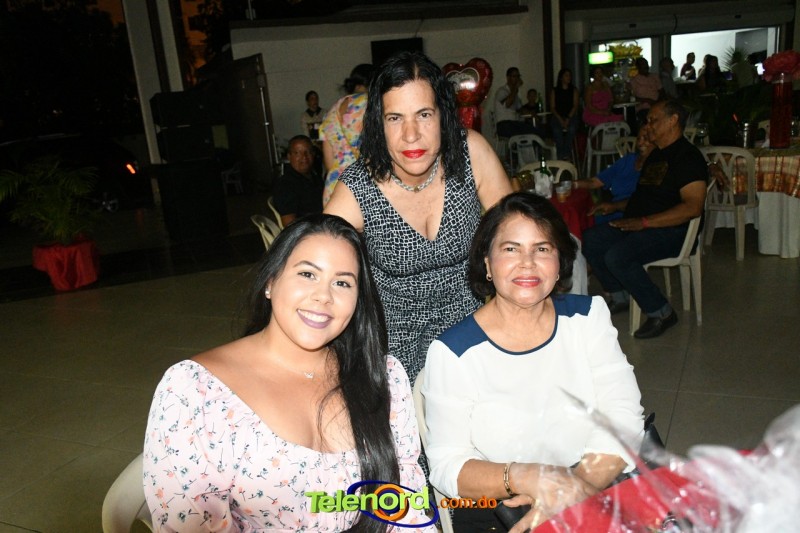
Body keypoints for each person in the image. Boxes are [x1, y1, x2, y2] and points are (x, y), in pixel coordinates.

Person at [142, 214, 435, 531]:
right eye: (307, 274)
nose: (323, 296)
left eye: (342, 282)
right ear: (270, 281)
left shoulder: (381, 376)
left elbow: (407, 506)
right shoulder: (196, 392)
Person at [422, 191, 644, 531]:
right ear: (487, 263)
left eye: (542, 249)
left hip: (594, 483)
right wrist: (528, 477)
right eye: (511, 249)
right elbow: (447, 466)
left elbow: (623, 417)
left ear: (560, 262)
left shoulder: (587, 318)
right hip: (503, 506)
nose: (527, 263)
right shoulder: (454, 352)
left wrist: (572, 490)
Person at [324, 51, 512, 383]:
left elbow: (515, 234)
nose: (411, 135)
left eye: (424, 114)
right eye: (395, 118)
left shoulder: (470, 152)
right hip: (391, 347)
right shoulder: (358, 186)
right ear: (378, 124)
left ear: (443, 115)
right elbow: (316, 267)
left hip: (470, 329)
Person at [582, 100, 708, 339]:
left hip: (673, 231)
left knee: (618, 256)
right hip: (642, 224)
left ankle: (662, 312)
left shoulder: (687, 157)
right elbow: (642, 198)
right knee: (592, 239)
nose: (648, 126)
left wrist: (645, 223)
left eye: (653, 120)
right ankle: (619, 295)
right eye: (647, 121)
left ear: (673, 121)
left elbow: (692, 207)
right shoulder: (655, 155)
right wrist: (615, 206)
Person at [319, 63, 374, 206]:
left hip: (335, 187)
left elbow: (329, 162)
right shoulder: (372, 105)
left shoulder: (331, 111)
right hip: (365, 186)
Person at [577, 127, 655, 224]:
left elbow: (644, 201)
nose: (640, 143)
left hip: (636, 218)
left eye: (646, 139)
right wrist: (572, 184)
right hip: (614, 212)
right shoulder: (628, 160)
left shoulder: (656, 167)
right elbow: (594, 182)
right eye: (639, 139)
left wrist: (615, 206)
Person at [272, 135, 324, 227]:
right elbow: (289, 223)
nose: (304, 157)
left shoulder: (315, 177)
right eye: (297, 153)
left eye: (308, 152)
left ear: (313, 154)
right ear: (289, 156)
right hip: (310, 230)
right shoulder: (286, 185)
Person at [494, 68, 545, 139]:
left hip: (515, 123)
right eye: (514, 76)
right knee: (533, 131)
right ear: (508, 78)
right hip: (504, 124)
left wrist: (532, 114)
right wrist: (516, 87)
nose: (517, 79)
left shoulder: (515, 94)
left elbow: (520, 109)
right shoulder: (502, 91)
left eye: (518, 76)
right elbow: (508, 104)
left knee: (539, 128)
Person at [549, 68, 580, 160]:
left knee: (571, 129)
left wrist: (568, 118)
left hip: (571, 115)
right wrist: (560, 119)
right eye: (566, 75)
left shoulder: (574, 90)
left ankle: (566, 153)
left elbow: (575, 106)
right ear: (561, 77)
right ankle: (561, 154)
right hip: (557, 116)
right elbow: (552, 107)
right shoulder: (554, 91)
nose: (569, 77)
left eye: (570, 75)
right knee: (556, 130)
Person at [629, 58, 663, 131]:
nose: (645, 66)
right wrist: (647, 100)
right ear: (638, 67)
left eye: (646, 64)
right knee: (650, 118)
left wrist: (658, 102)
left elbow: (662, 91)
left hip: (658, 105)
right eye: (643, 65)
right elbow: (632, 97)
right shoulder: (634, 80)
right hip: (644, 108)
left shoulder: (655, 76)